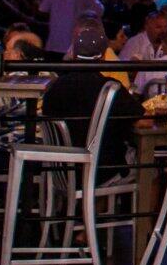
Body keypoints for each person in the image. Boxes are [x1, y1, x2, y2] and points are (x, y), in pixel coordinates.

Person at [42, 21, 141, 170]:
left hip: (60, 171)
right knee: (148, 164)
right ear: (103, 56)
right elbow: (142, 122)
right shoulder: (110, 88)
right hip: (101, 172)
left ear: (74, 54)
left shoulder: (54, 87)